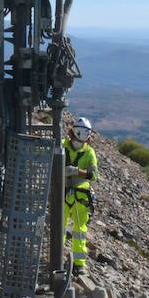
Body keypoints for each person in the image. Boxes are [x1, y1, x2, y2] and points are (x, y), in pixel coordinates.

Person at [63, 116, 98, 275]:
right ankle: (57, 255)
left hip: (79, 196)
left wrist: (77, 171)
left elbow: (93, 175)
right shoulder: (64, 146)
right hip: (63, 193)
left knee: (79, 230)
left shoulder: (89, 152)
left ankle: (79, 262)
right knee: (59, 227)